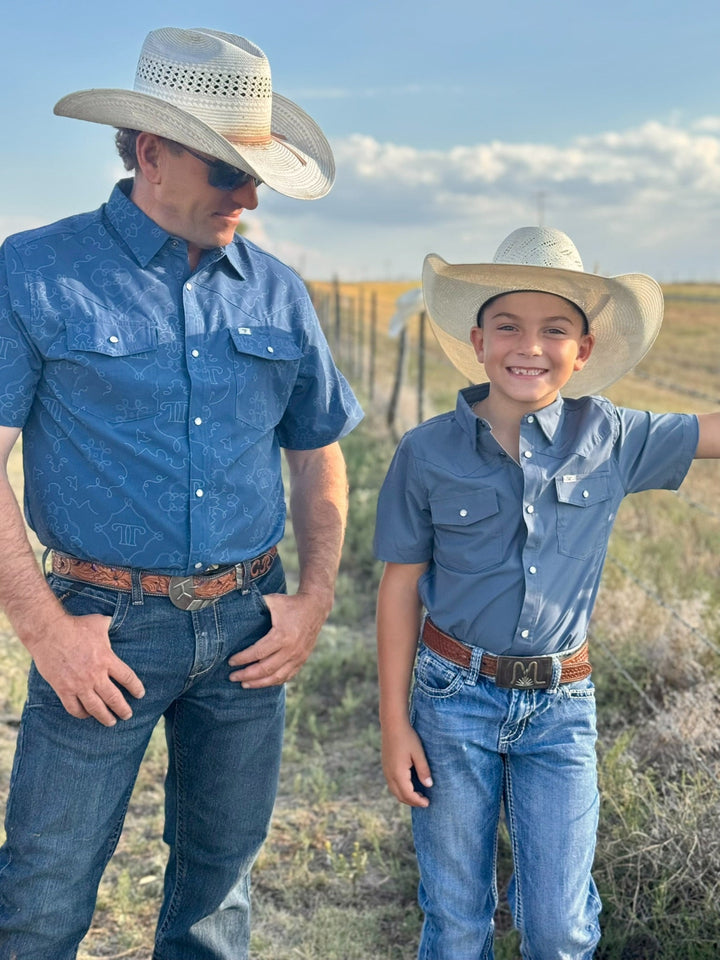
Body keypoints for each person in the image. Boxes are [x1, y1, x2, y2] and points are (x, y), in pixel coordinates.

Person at [0, 26, 362, 960]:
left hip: (249, 628)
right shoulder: (35, 271)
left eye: (258, 173)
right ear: (150, 150)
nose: (248, 194)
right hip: (99, 631)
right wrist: (46, 632)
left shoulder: (278, 292)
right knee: (41, 899)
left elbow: (318, 455)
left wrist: (313, 601)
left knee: (217, 903)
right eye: (227, 169)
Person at [374, 225, 720, 960]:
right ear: (477, 339)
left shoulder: (615, 437)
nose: (529, 347)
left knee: (558, 928)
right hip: (451, 699)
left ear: (583, 350)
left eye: (554, 329)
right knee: (457, 919)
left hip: (561, 708)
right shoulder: (426, 452)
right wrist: (393, 723)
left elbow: (712, 431)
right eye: (509, 327)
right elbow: (400, 589)